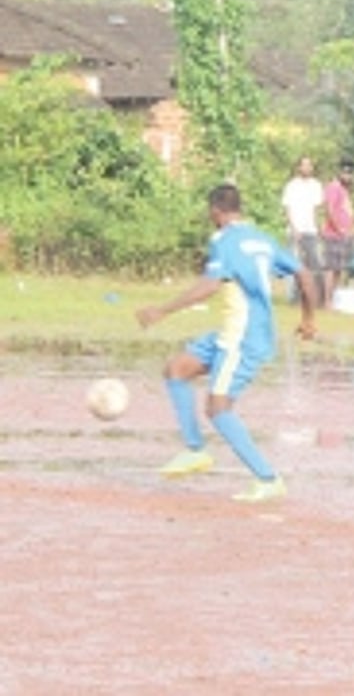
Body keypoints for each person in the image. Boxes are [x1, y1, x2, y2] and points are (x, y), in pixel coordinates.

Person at [136, 184, 317, 503]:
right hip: (231, 334)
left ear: (215, 211)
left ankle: (268, 479)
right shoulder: (261, 239)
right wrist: (309, 319)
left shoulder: (223, 240)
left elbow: (209, 286)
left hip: (242, 339)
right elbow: (304, 275)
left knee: (218, 409)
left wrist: (162, 310)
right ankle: (195, 450)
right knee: (176, 369)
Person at [280, 155, 324, 303]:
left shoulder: (316, 185)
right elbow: (287, 209)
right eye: (304, 165)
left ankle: (313, 295)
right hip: (295, 229)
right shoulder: (291, 185)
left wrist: (319, 228)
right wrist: (293, 228)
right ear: (299, 167)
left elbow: (317, 209)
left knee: (313, 263)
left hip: (311, 230)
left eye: (309, 165)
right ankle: (292, 297)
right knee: (293, 263)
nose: (306, 168)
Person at [321, 158, 354, 308]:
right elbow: (329, 210)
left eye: (350, 173)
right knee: (330, 268)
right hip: (333, 234)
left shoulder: (344, 189)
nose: (348, 176)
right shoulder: (333, 187)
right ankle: (327, 300)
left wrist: (350, 229)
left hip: (344, 234)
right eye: (345, 172)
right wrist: (338, 229)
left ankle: (333, 299)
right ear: (340, 172)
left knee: (338, 269)